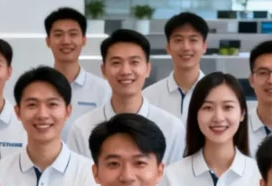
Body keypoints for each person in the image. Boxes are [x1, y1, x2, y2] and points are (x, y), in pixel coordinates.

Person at [0, 66, 105, 186]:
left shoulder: (90, 174)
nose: (42, 114)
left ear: (68, 111)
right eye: (32, 105)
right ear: (18, 112)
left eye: (52, 104)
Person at [153, 71, 269, 186]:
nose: (218, 117)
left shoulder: (259, 175)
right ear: (196, 114)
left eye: (228, 107)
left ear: (242, 113)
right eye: (208, 108)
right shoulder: (172, 177)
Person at [67, 28, 185, 164]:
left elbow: (172, 182)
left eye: (134, 62)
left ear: (147, 69)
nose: (125, 71)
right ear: (103, 70)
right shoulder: (82, 128)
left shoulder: (171, 127)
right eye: (116, 63)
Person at [44, 6, 111, 136]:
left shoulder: (102, 90)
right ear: (48, 41)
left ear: (84, 40)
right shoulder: (38, 88)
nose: (66, 41)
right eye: (58, 34)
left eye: (73, 34)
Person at [143, 12, 208, 121]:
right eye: (178, 40)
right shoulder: (148, 97)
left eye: (193, 40)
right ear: (168, 47)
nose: (186, 47)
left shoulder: (216, 94)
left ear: (204, 47)